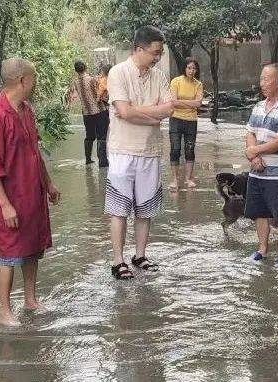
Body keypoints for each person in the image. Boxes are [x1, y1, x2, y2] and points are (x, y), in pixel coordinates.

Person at [0, 57, 61, 326]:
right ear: (23, 80)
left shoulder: (26, 110)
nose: (35, 83)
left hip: (31, 193)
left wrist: (48, 183)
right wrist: (5, 205)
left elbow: (35, 152)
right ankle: (4, 312)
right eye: (34, 78)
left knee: (32, 248)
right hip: (10, 197)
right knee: (9, 253)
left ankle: (31, 300)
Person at [104, 25, 175, 280]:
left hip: (150, 150)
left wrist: (139, 112)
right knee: (119, 208)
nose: (158, 57)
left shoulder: (159, 76)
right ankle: (117, 261)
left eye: (160, 52)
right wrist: (153, 114)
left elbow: (169, 109)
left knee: (145, 209)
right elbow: (123, 111)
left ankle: (140, 255)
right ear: (138, 49)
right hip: (122, 150)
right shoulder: (118, 73)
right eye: (155, 52)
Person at [244, 63, 278, 269]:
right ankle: (262, 249)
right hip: (257, 172)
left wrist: (256, 151)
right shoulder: (258, 106)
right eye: (261, 79)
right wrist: (253, 157)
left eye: (267, 79)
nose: (262, 83)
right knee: (259, 212)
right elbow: (250, 132)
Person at [168, 57, 204, 190]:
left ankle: (188, 179)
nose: (191, 71)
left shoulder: (198, 84)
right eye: (189, 68)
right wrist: (191, 103)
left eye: (194, 68)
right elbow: (173, 102)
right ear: (184, 68)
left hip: (191, 121)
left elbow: (199, 103)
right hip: (176, 119)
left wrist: (181, 102)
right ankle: (174, 180)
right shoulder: (175, 81)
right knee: (175, 149)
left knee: (189, 150)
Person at [67, 60, 109, 167]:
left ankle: (88, 159)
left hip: (86, 113)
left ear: (76, 71)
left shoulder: (76, 82)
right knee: (101, 136)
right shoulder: (92, 79)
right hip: (99, 111)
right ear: (85, 67)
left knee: (89, 136)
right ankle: (102, 162)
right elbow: (101, 92)